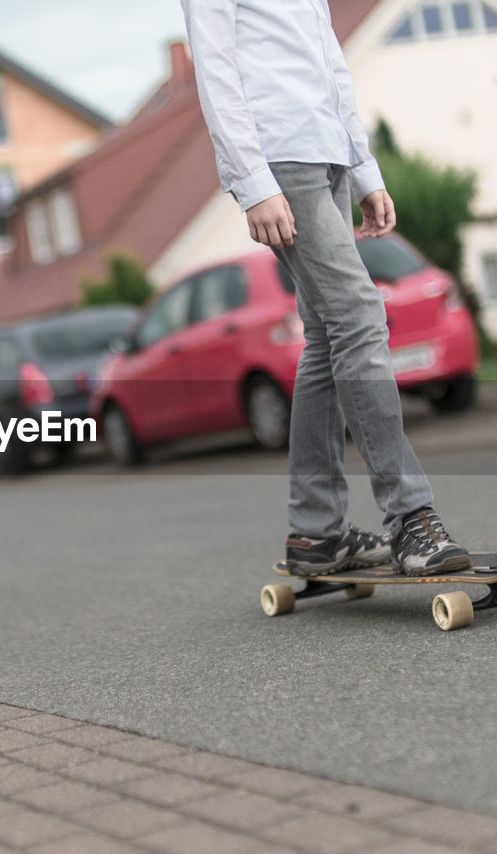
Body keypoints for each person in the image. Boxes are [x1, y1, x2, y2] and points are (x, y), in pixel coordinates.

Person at [181, 0, 470, 576]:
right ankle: (411, 517)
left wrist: (364, 168)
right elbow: (214, 67)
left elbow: (329, 61)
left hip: (328, 152)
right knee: (361, 314)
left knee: (324, 339)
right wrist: (252, 180)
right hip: (281, 158)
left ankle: (316, 534)